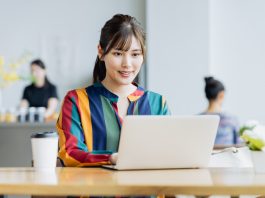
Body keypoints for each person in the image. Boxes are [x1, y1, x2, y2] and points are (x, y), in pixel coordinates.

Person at [56, 14, 170, 167]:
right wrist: (112, 158)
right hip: (95, 189)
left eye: (135, 54)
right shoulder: (76, 100)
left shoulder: (158, 103)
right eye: (118, 53)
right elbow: (70, 153)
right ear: (101, 52)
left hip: (147, 190)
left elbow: (169, 154)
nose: (127, 64)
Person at [201, 76, 240, 146]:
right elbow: (239, 144)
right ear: (221, 95)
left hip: (203, 157)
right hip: (227, 156)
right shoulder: (231, 119)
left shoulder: (197, 119)